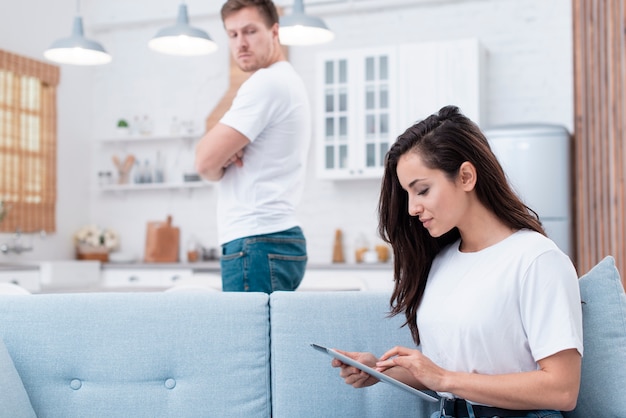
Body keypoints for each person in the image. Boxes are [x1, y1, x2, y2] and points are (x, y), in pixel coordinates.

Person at [331, 105, 583, 418]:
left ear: (465, 176)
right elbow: (451, 370)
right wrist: (381, 372)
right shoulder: (442, 261)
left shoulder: (536, 259)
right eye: (408, 195)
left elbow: (562, 389)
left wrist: (444, 379)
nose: (412, 208)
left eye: (422, 190)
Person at [195, 0, 310, 293]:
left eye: (249, 31)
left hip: (255, 240)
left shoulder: (266, 83)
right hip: (270, 238)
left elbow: (205, 163)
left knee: (249, 340)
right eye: (232, 35)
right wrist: (222, 152)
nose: (241, 43)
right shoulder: (287, 81)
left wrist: (219, 160)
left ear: (274, 31)